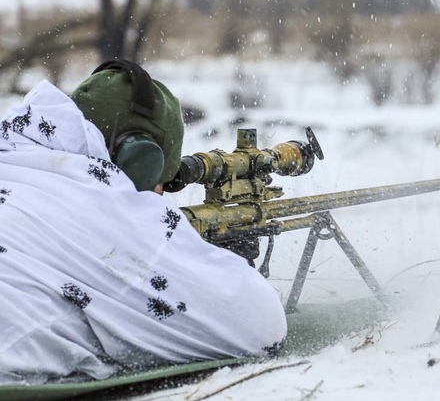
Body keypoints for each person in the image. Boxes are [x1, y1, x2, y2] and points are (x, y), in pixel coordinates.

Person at [0, 60, 287, 384]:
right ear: (139, 160)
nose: (159, 195)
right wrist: (222, 263)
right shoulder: (106, 209)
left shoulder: (15, 158)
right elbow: (262, 327)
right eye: (161, 182)